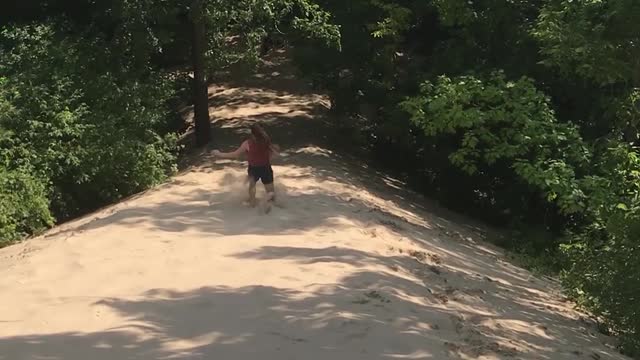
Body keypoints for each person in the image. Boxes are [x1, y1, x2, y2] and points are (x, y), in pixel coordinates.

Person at [213, 123, 280, 212]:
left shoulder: (247, 143)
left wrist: (219, 154)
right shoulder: (266, 141)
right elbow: (275, 153)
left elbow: (235, 154)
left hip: (254, 169)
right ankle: (270, 206)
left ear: (252, 134)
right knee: (270, 192)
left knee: (252, 187)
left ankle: (253, 205)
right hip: (266, 168)